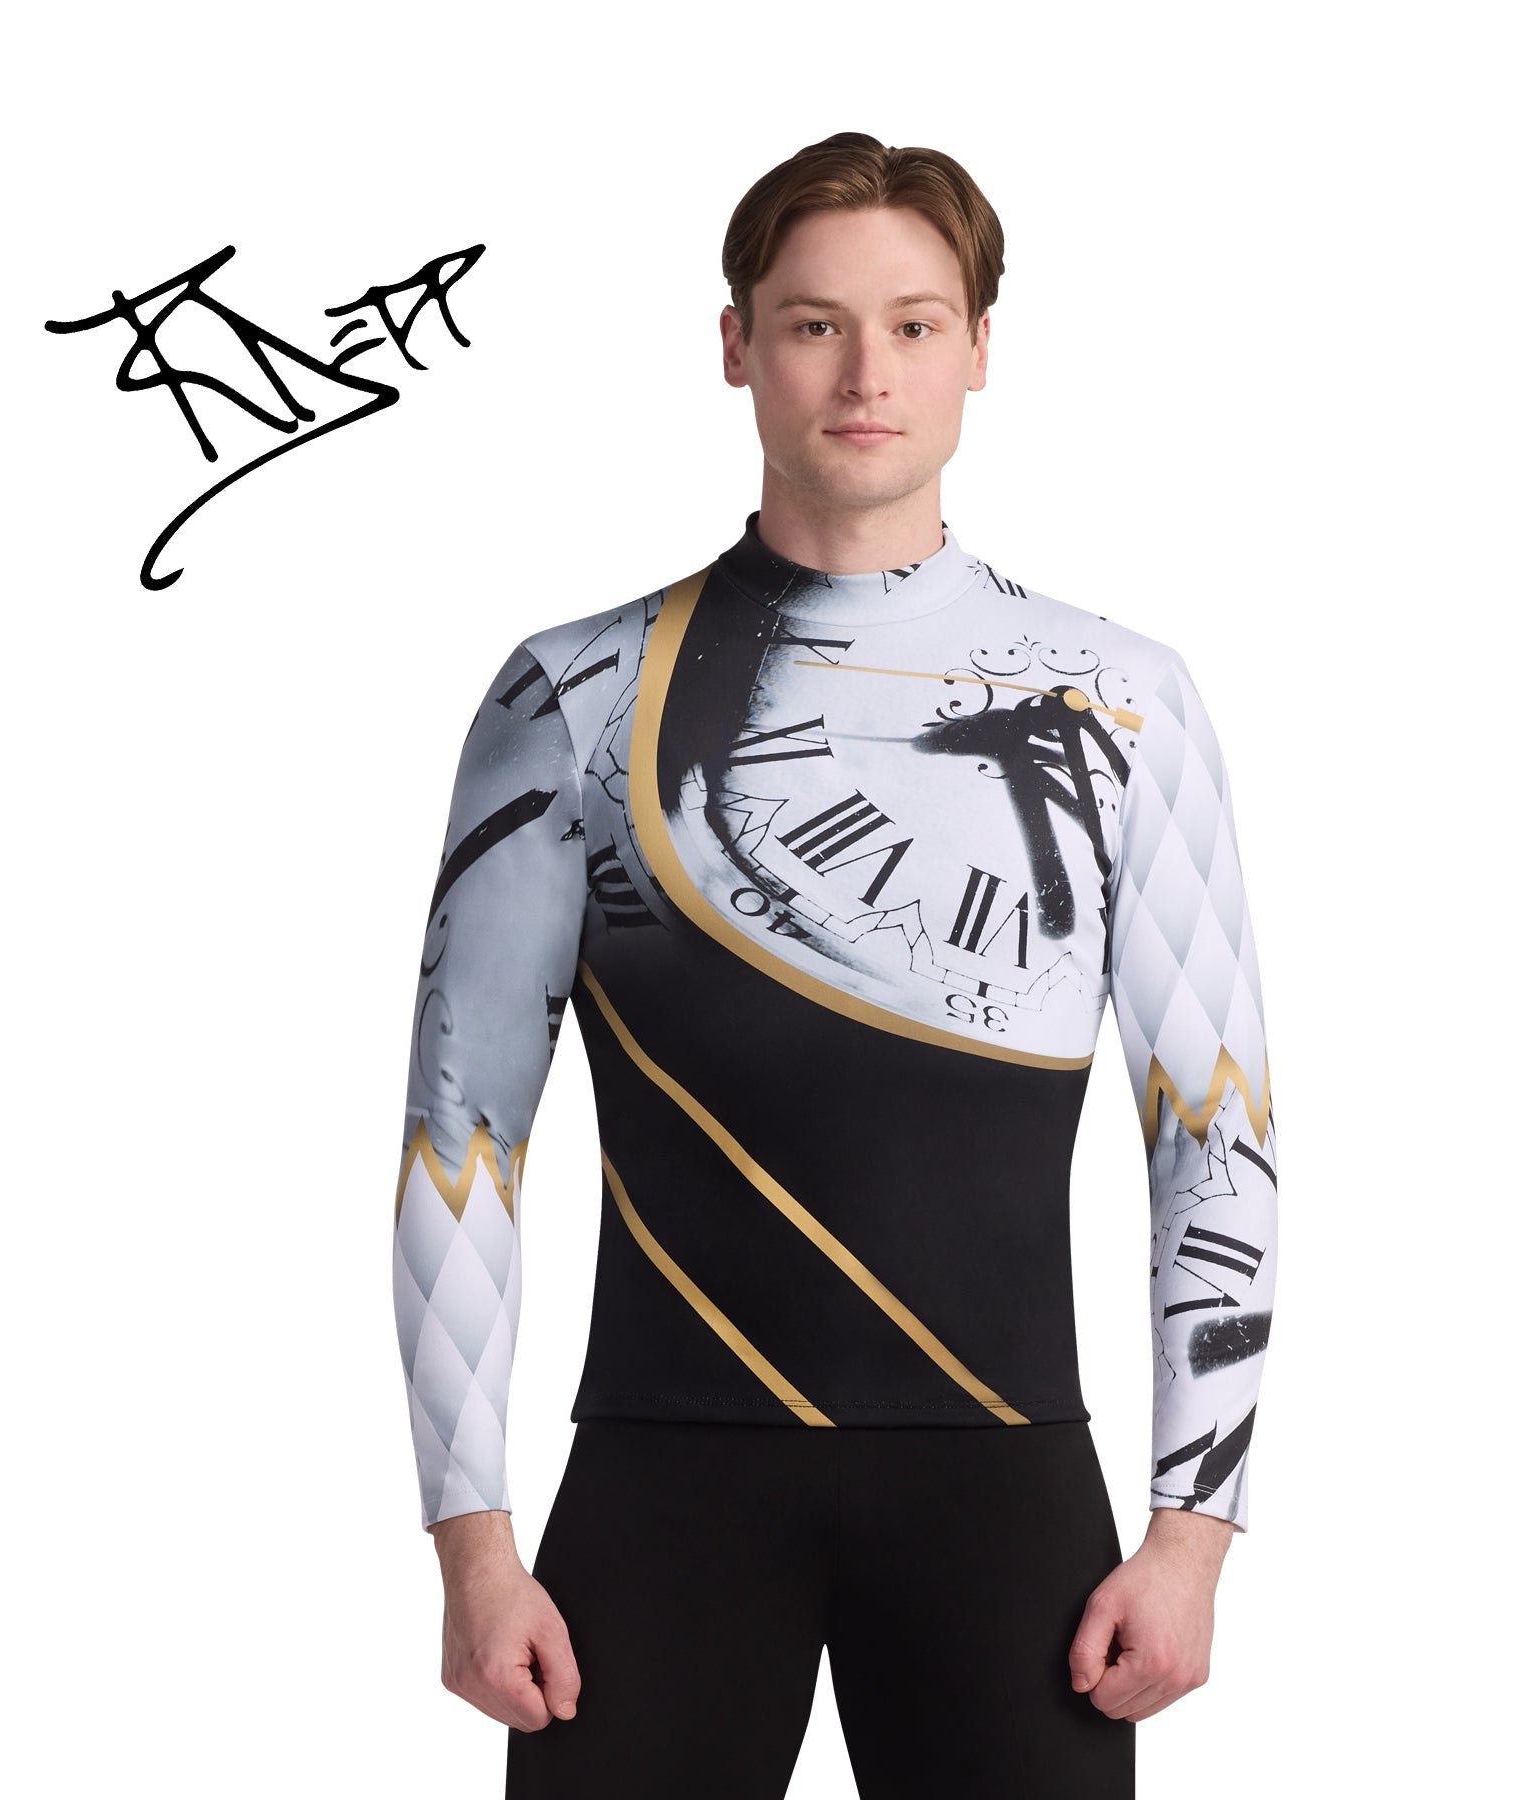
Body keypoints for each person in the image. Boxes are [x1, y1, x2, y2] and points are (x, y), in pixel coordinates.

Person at [391, 131, 1278, 1797]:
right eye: (814, 324)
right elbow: (463, 1138)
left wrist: (1193, 1532)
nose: (868, 373)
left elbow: (1213, 1128)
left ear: (979, 348)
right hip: (664, 1495)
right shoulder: (573, 696)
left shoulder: (1119, 701)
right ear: (736, 344)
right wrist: (470, 1541)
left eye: (915, 324)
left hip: (1002, 1502)